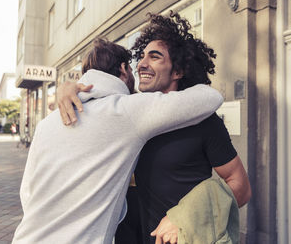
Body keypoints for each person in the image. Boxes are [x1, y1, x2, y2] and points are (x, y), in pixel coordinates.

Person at [58, 12, 251, 244]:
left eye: (155, 57)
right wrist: (70, 89)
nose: (141, 64)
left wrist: (183, 218)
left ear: (177, 71)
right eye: (141, 57)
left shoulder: (204, 121)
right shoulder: (128, 113)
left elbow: (241, 187)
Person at [12, 38, 223, 244]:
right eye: (134, 65)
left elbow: (27, 192)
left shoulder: (48, 123)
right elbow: (211, 97)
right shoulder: (125, 111)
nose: (140, 67)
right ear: (124, 69)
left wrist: (73, 86)